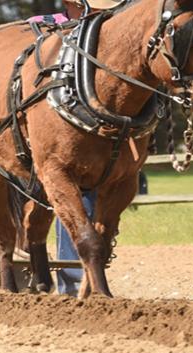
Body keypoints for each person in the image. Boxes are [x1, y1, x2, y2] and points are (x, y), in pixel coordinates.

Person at [50, 0, 123, 296]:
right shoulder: (46, 28)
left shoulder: (114, 38)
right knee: (75, 208)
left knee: (91, 212)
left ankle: (83, 284)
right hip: (59, 142)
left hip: (100, 144)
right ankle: (71, 284)